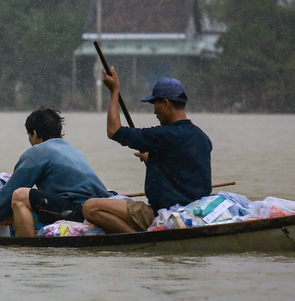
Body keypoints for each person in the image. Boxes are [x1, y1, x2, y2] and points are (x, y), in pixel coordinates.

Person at [83, 68, 212, 233]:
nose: (154, 111)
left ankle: (134, 238)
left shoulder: (162, 135)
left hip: (163, 214)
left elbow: (114, 131)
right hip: (192, 212)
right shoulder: (202, 137)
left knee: (90, 207)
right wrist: (151, 158)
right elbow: (181, 165)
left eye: (155, 104)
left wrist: (114, 91)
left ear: (166, 103)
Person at [0, 106, 111, 244]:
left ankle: (30, 247)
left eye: (29, 135)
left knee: (19, 196)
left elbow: (10, 192)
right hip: (100, 207)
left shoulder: (37, 152)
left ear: (34, 133)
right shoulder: (73, 150)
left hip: (77, 210)